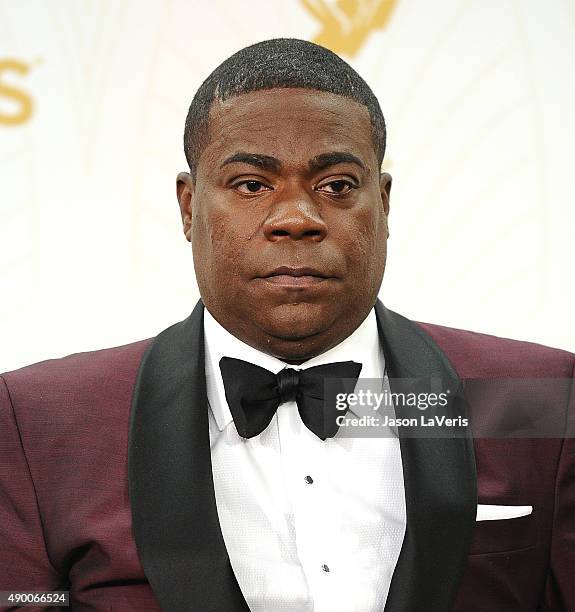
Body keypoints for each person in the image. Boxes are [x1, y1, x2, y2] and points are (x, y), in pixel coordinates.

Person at [0, 38, 573, 612]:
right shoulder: (38, 425)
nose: (297, 219)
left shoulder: (544, 397)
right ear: (188, 206)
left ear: (385, 203)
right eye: (251, 184)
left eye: (338, 186)